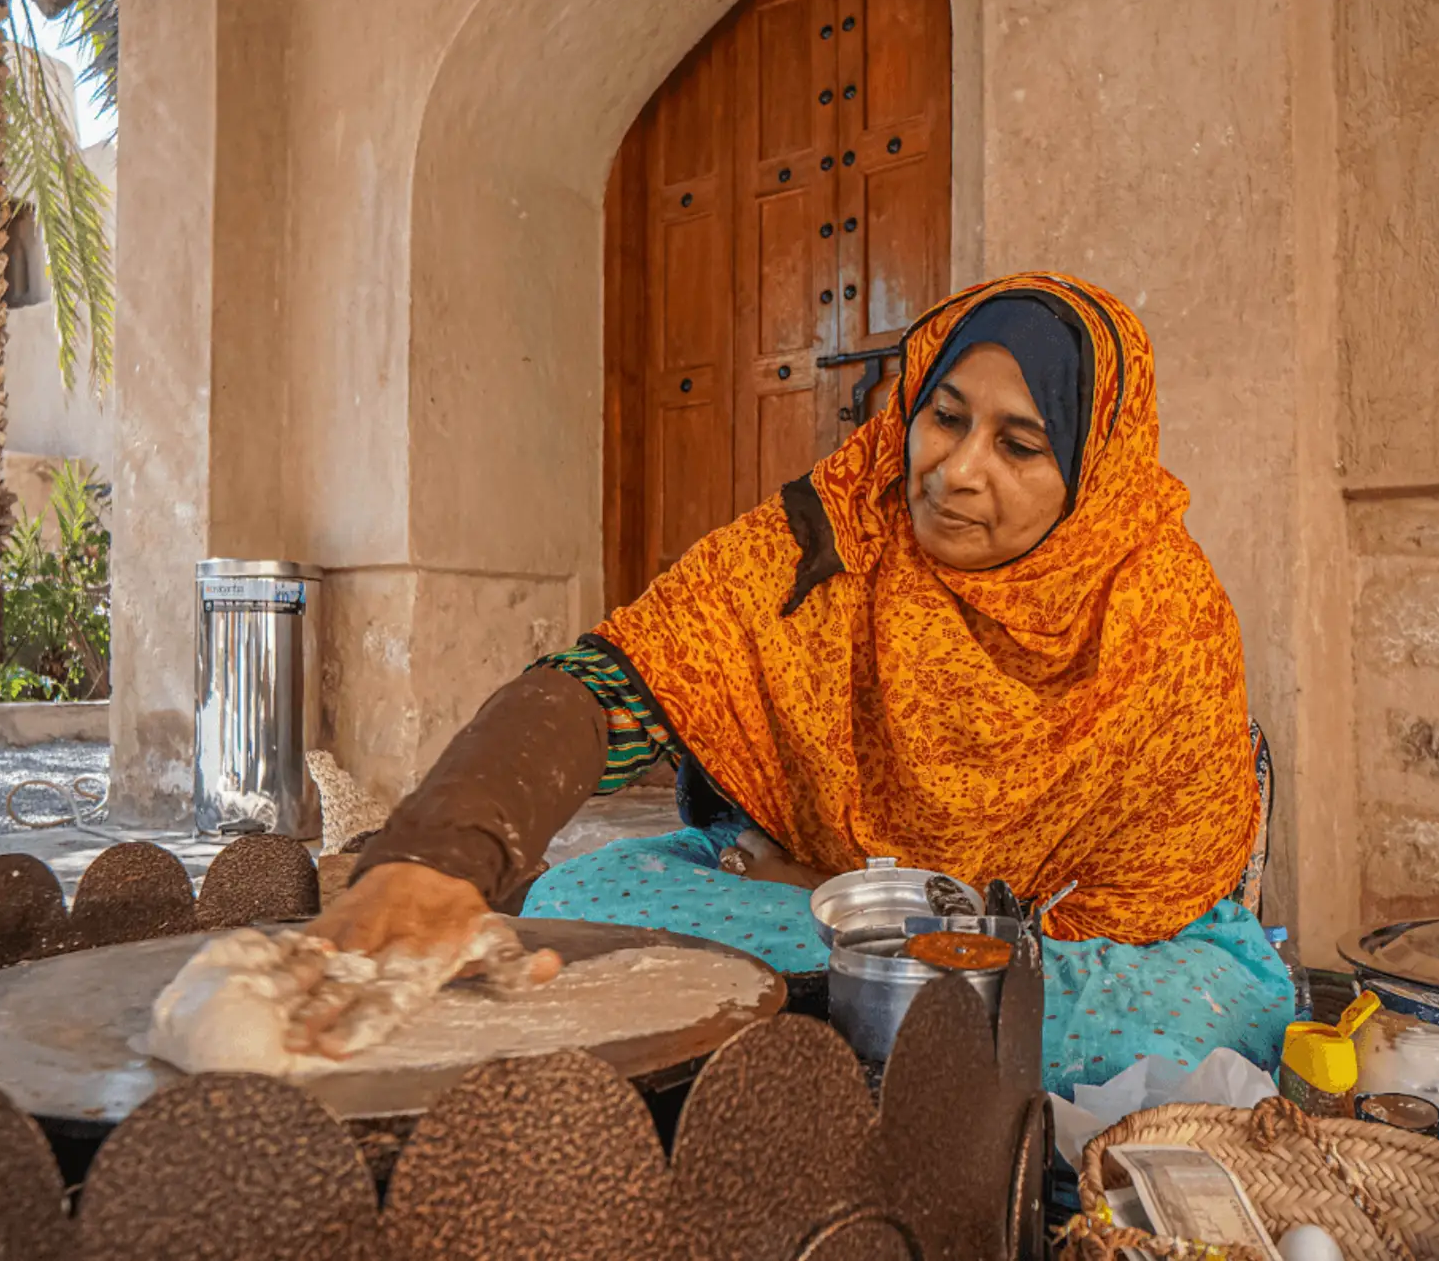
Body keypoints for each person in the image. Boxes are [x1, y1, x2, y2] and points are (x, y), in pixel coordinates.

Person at [305, 272, 1293, 1093]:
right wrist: (440, 850)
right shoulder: (832, 538)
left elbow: (1151, 895)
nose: (955, 471)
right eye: (941, 419)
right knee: (582, 893)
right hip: (823, 912)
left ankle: (817, 1022)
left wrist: (869, 903)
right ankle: (884, 1031)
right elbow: (617, 680)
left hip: (1066, 949)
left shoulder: (1162, 609)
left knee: (1201, 1019)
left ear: (1092, 471)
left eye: (1019, 445)